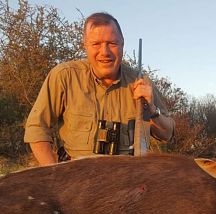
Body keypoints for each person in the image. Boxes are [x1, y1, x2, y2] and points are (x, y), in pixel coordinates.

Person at [24, 12, 175, 166]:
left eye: (112, 43)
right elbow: (37, 128)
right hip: (75, 176)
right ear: (85, 45)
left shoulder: (141, 81)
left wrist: (152, 110)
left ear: (122, 44)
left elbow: (167, 134)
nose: (105, 52)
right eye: (96, 44)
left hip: (128, 177)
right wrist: (54, 174)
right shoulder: (64, 76)